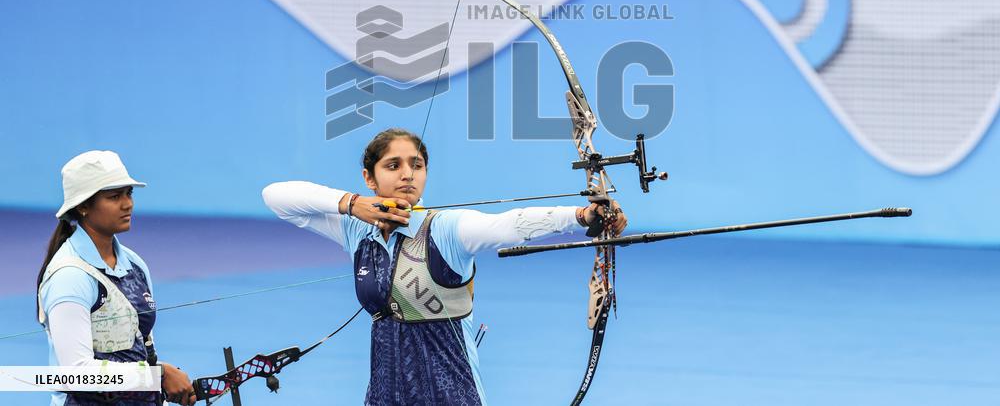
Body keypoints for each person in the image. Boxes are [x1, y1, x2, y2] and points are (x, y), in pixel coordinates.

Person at [262, 127, 628, 406]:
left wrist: (582, 215)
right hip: (385, 392)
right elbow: (276, 197)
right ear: (369, 178)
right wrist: (350, 203)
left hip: (451, 393)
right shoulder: (357, 229)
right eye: (393, 165)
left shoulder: (446, 230)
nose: (408, 174)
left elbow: (509, 223)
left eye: (416, 165)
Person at [36, 150, 196, 406]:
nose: (127, 204)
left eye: (129, 193)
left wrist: (161, 390)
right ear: (83, 206)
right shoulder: (69, 276)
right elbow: (77, 374)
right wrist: (160, 375)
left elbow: (143, 347)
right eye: (114, 196)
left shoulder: (135, 264)